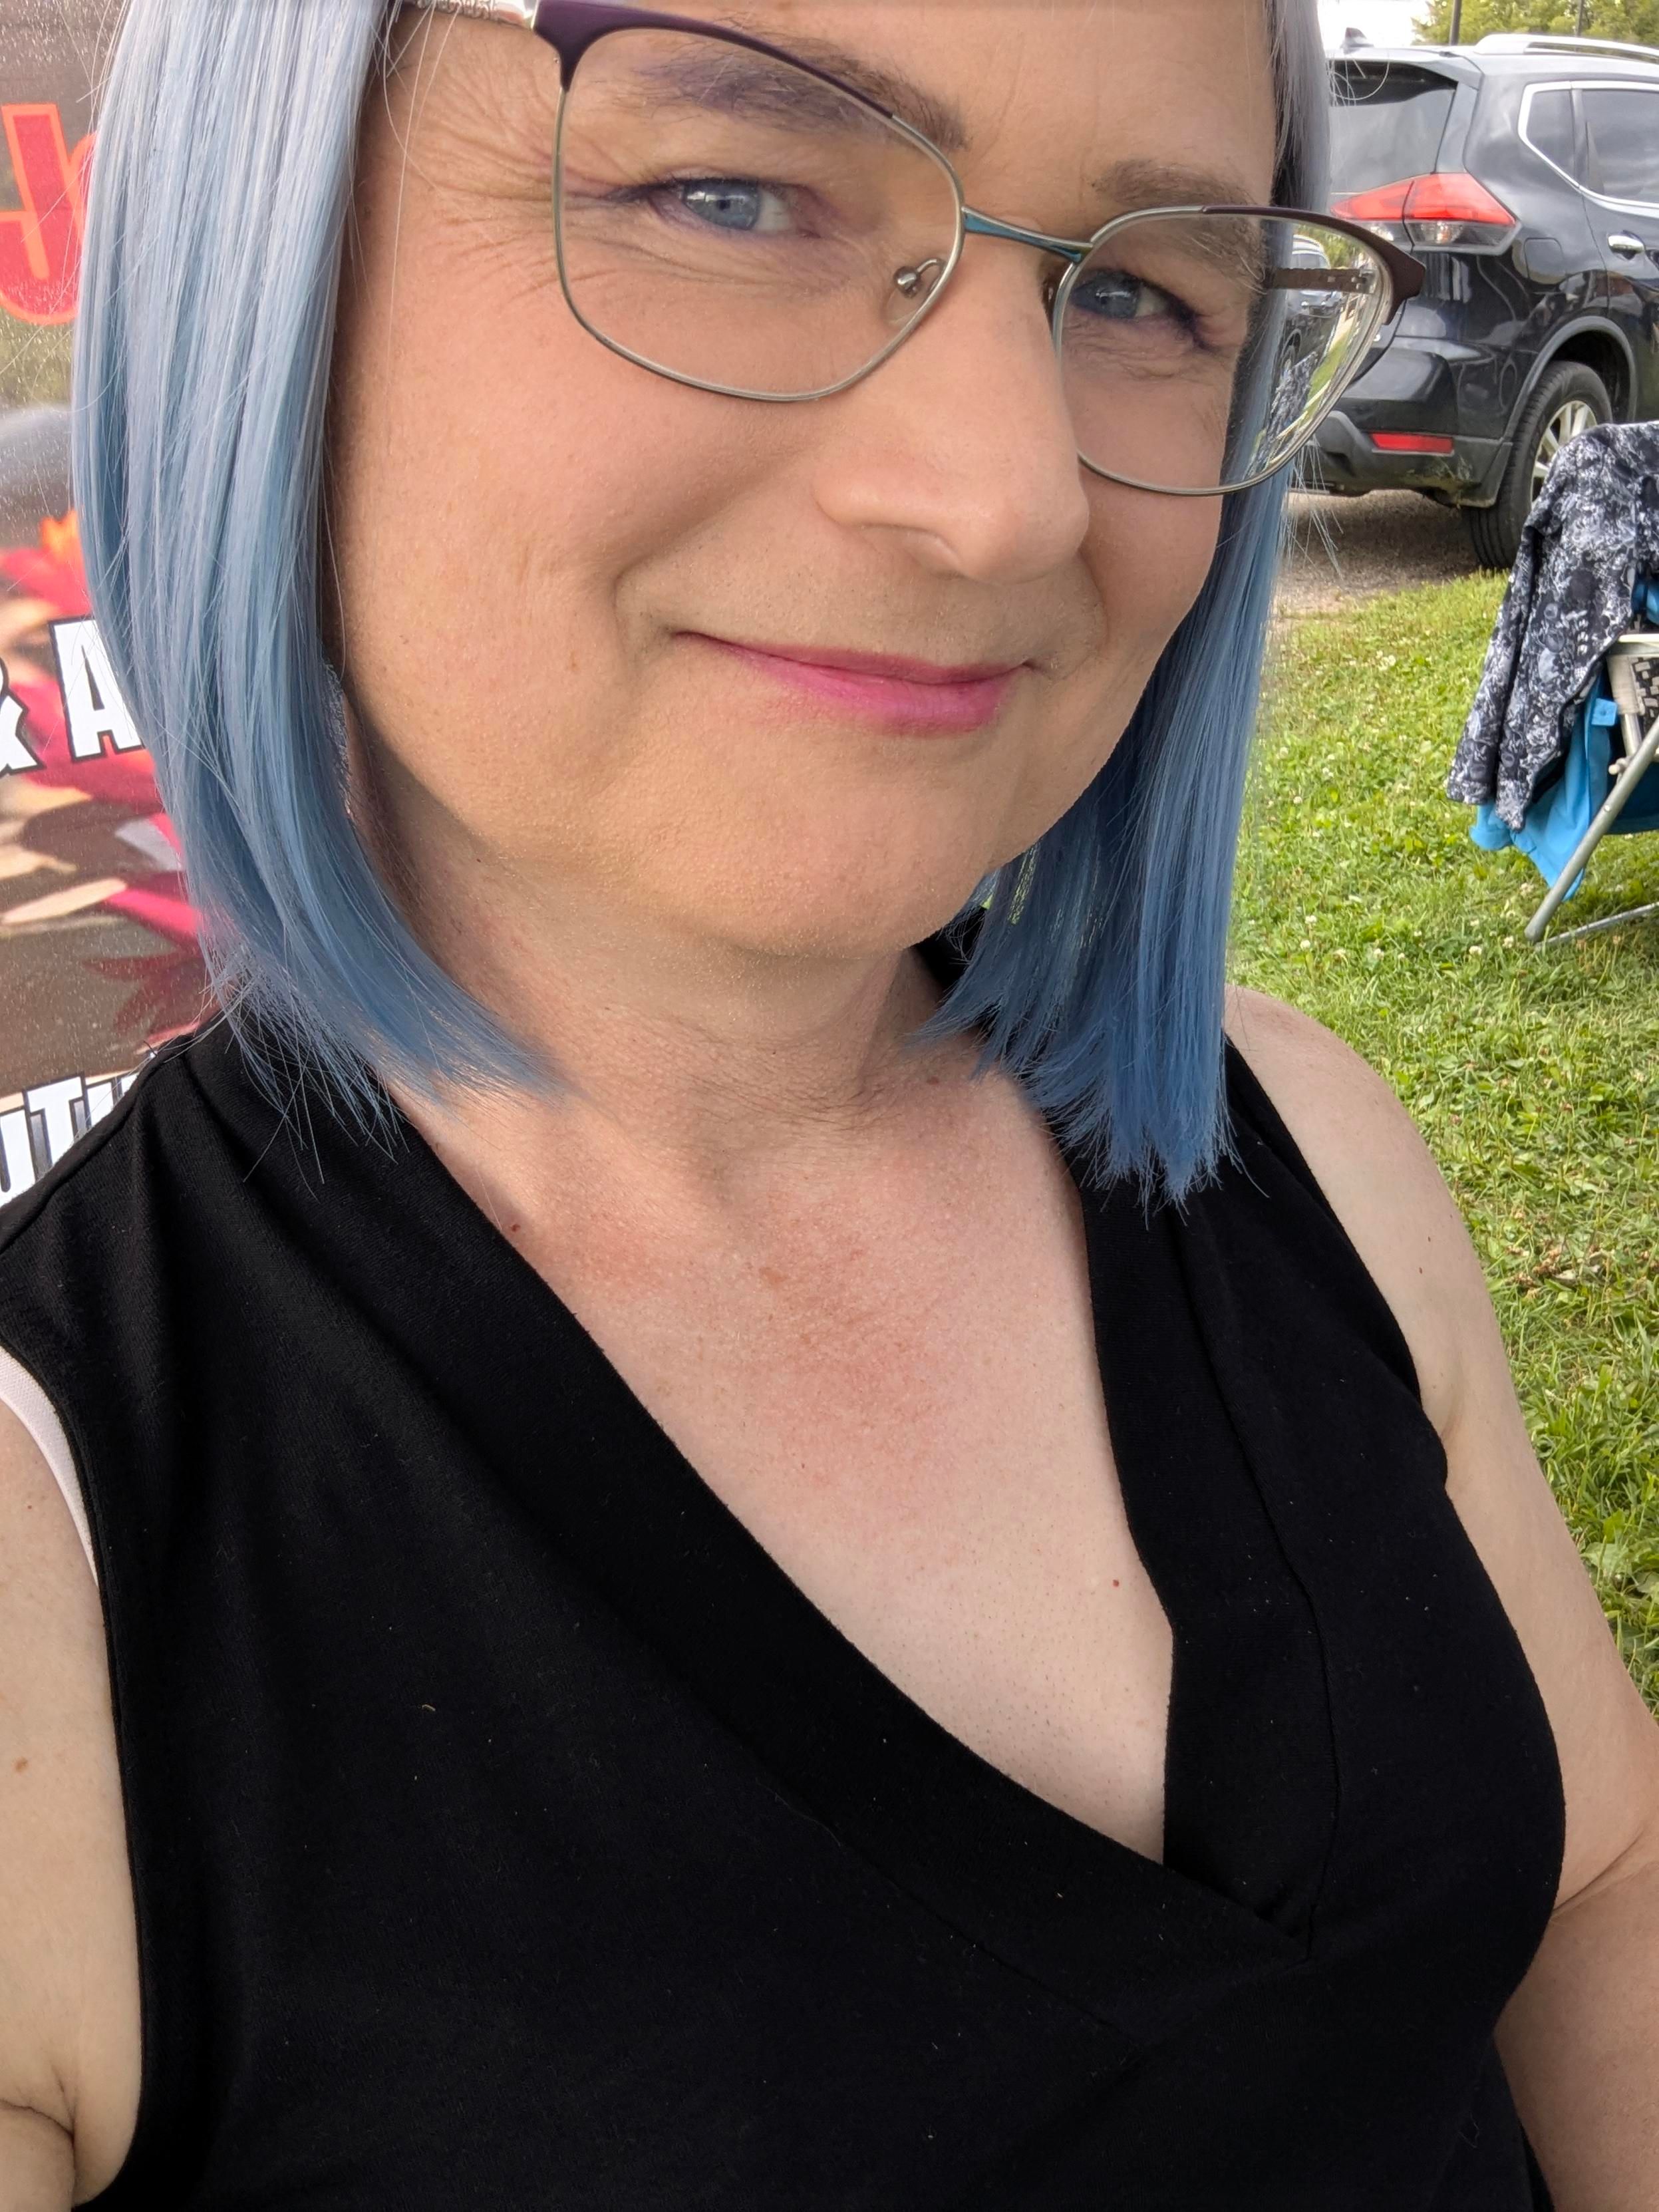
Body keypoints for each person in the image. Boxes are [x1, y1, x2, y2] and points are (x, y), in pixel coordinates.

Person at [0, 1, 1655, 2203]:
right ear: (261, 248)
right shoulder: (57, 1564)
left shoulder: (1311, 1152)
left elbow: (1594, 1881)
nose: (1007, 500)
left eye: (1148, 288)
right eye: (734, 194)